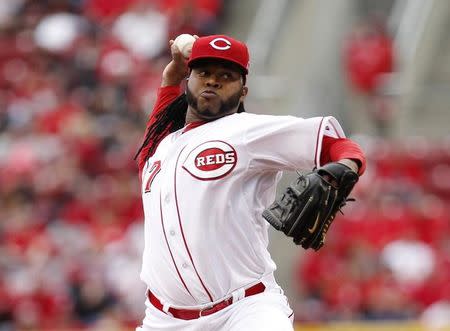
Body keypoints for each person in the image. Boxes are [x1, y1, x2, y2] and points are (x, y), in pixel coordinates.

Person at [134, 34, 366, 331]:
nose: (213, 81)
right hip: (163, 320)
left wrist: (343, 168)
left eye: (226, 76)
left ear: (243, 90)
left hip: (244, 311)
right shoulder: (162, 148)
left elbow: (338, 144)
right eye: (204, 73)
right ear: (188, 80)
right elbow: (149, 149)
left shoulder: (248, 131)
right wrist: (169, 80)